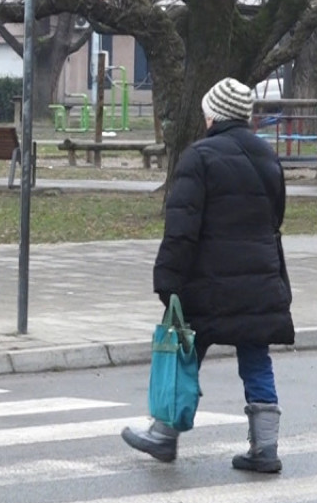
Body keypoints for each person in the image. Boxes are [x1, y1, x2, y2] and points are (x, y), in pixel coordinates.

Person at [121, 77, 295, 473]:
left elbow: (181, 228)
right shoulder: (268, 158)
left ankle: (164, 433)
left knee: (185, 353)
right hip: (259, 281)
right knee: (255, 356)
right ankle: (265, 447)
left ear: (213, 114)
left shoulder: (198, 157)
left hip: (208, 283)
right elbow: (276, 219)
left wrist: (168, 279)